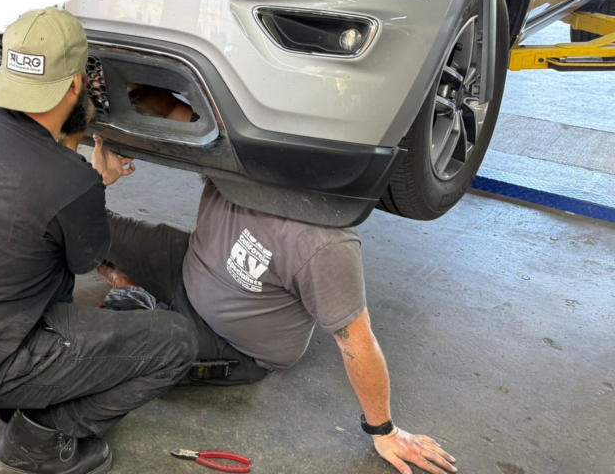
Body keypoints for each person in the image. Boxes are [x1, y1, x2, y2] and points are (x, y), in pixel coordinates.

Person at [0, 8, 197, 474]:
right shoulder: (71, 182)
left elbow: (38, 207)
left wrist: (81, 176)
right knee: (176, 342)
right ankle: (37, 442)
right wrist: (95, 182)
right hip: (0, 353)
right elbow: (84, 259)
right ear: (76, 85)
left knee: (42, 271)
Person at [97, 86, 459, 474]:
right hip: (190, 263)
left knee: (106, 351)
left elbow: (357, 341)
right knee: (85, 226)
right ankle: (130, 286)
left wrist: (384, 431)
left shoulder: (322, 240)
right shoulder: (236, 147)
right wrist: (117, 108)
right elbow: (168, 107)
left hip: (231, 345)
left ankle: (128, 290)